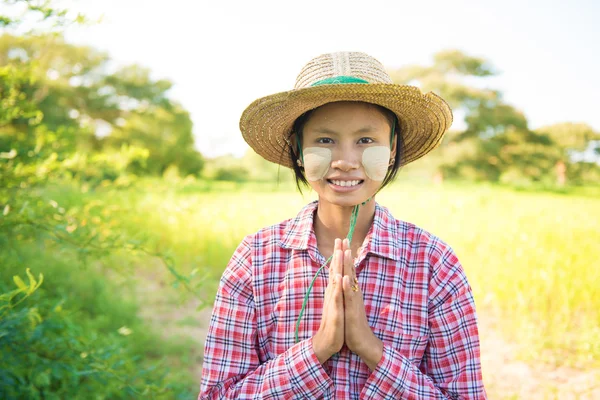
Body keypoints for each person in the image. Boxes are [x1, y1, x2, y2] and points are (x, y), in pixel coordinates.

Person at [199, 52, 487, 399]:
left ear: (392, 148)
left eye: (366, 140)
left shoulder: (434, 263)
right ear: (299, 150)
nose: (346, 162)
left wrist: (371, 349)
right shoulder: (256, 258)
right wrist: (319, 348)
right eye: (324, 140)